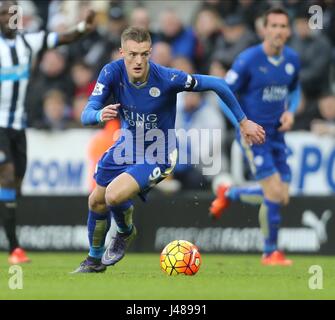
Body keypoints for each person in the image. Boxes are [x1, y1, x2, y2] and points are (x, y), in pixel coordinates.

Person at [72, 26, 265, 273]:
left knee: (112, 195)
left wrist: (243, 121)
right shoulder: (111, 72)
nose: (138, 60)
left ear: (150, 53)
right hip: (126, 147)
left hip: (158, 154)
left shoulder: (167, 78)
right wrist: (98, 113)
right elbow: (86, 114)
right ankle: (93, 261)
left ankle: (125, 231)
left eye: (143, 54)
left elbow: (217, 83)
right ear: (122, 53)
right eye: (132, 54)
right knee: (96, 201)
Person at [0, 0, 95, 264]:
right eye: (4, 14)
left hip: (19, 126)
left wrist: (83, 27)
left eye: (13, 14)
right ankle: (14, 249)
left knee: (16, 182)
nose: (9, 19)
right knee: (5, 176)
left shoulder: (28, 42)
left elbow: (62, 38)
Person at [209, 7, 301, 266]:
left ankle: (229, 194)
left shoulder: (292, 59)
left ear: (288, 31)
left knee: (281, 196)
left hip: (278, 136)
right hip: (255, 136)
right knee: (272, 192)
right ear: (264, 29)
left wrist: (291, 112)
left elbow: (294, 90)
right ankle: (270, 252)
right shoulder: (248, 59)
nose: (279, 31)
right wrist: (242, 123)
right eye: (274, 26)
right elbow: (223, 95)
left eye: (283, 26)